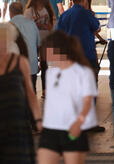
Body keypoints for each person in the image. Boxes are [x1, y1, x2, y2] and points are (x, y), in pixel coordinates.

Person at [37, 31, 98, 164]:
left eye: (47, 52)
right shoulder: (51, 73)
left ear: (59, 50)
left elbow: (87, 101)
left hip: (72, 128)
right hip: (50, 129)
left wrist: (79, 121)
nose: (45, 57)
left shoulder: (83, 72)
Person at [0, 22, 42, 164]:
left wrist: (37, 120)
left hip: (17, 125)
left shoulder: (20, 62)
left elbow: (30, 94)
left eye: (5, 41)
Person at [9, 2, 41, 92]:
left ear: (10, 12)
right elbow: (38, 45)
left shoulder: (8, 26)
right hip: (32, 66)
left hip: (14, 68)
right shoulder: (32, 24)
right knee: (31, 92)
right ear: (22, 11)